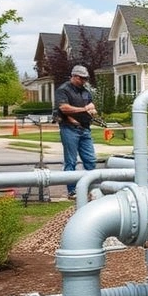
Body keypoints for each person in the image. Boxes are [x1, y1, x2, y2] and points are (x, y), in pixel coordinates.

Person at [55, 65, 98, 200]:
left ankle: (91, 189)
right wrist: (84, 109)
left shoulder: (85, 91)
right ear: (74, 76)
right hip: (69, 129)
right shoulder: (63, 90)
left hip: (85, 129)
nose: (84, 81)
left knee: (90, 160)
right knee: (71, 161)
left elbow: (91, 106)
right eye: (81, 78)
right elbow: (64, 108)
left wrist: (92, 111)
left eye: (85, 79)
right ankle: (72, 191)